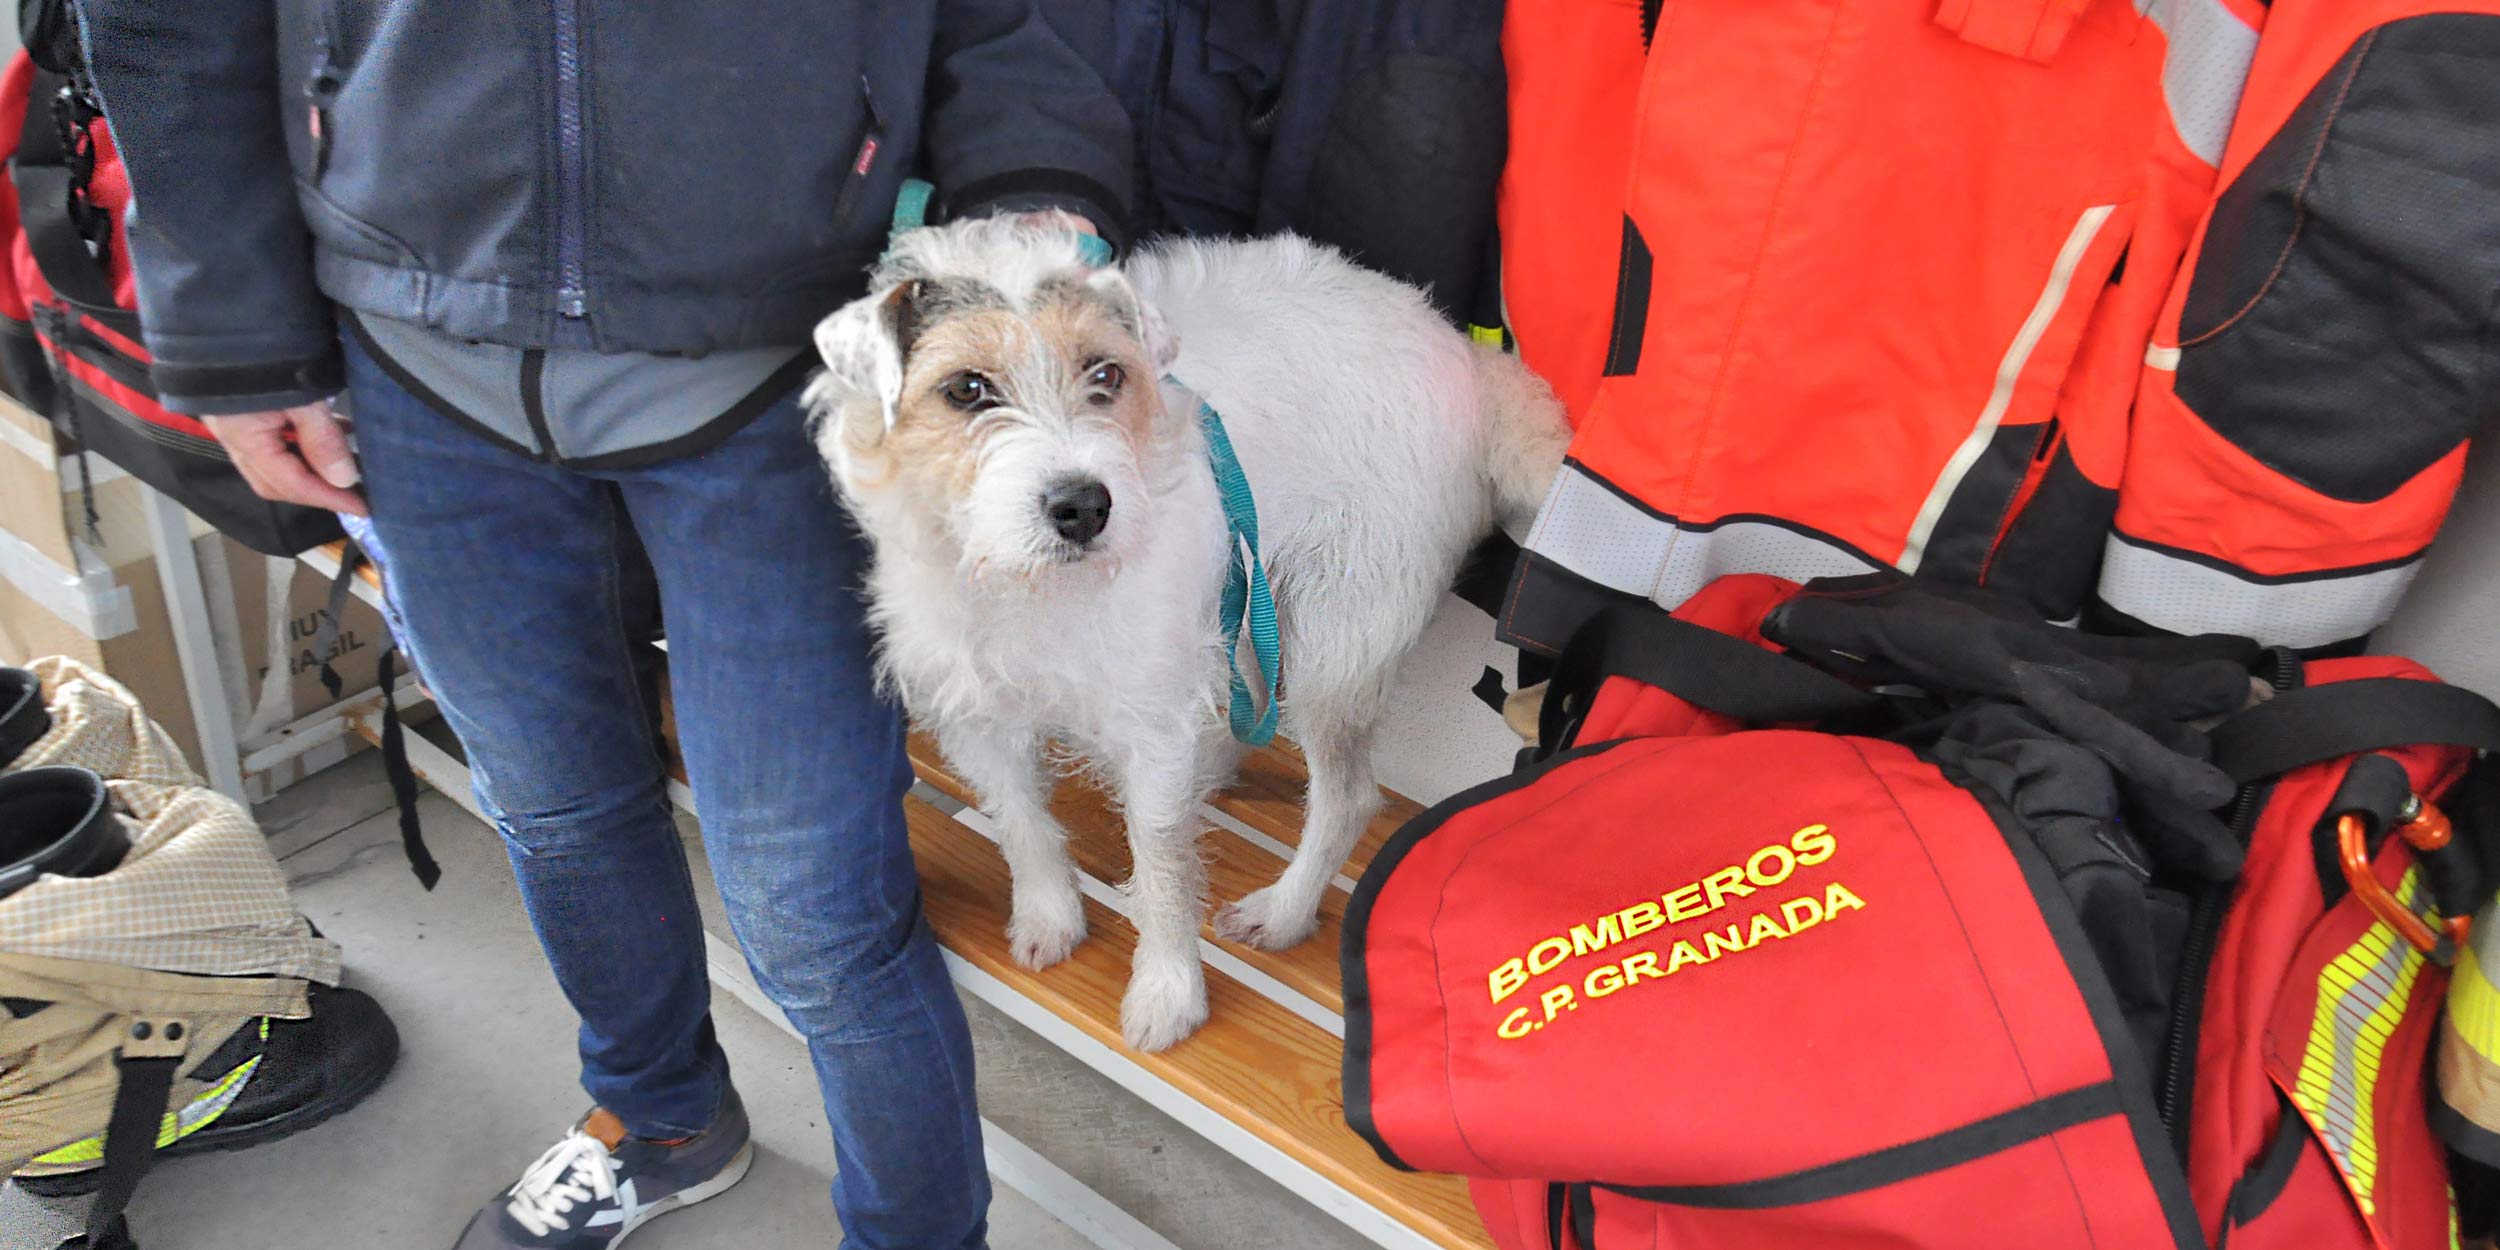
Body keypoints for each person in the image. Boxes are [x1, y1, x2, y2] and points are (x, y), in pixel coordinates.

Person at [72, 2, 1132, 1247]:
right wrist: (238, 338)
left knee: (816, 903)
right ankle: (663, 1113)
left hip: (769, 359)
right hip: (414, 355)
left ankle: (918, 1233)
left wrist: (1036, 181)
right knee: (554, 802)